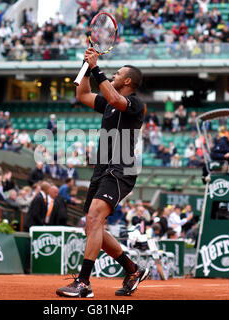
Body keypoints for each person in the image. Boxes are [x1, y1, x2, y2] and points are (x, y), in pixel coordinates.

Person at [56, 49, 149, 298]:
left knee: (95, 218)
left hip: (121, 169)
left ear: (127, 81)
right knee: (92, 225)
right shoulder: (108, 102)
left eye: (118, 73)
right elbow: (83, 93)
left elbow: (118, 100)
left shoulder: (136, 103)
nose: (115, 74)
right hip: (102, 168)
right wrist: (85, 66)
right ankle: (133, 269)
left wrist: (97, 69)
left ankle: (83, 283)